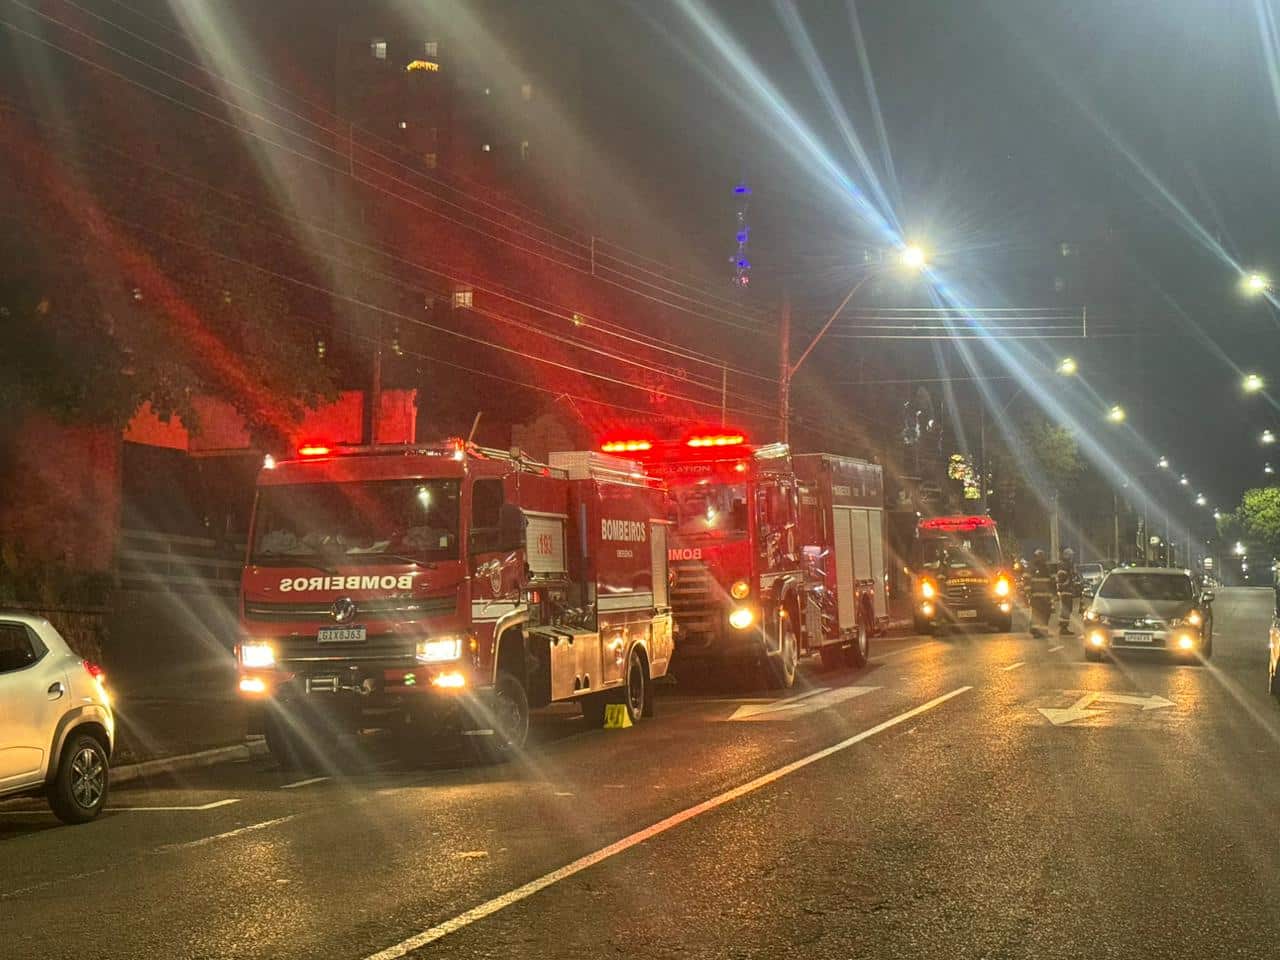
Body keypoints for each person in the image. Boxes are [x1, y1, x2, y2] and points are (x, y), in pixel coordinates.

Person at [1027, 549, 1054, 638]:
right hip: (1040, 597)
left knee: (1042, 614)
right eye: (1040, 556)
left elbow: (1050, 581)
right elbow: (1027, 581)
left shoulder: (1040, 567)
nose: (1041, 558)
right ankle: (1039, 631)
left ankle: (1038, 631)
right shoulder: (1040, 567)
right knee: (1041, 614)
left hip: (1040, 597)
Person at [1056, 547, 1081, 636]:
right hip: (1065, 590)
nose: (1072, 557)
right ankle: (1063, 628)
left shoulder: (1068, 565)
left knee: (1068, 609)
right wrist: (1069, 580)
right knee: (1066, 609)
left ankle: (1064, 627)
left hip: (1068, 590)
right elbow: (1063, 577)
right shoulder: (1064, 565)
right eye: (1071, 555)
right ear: (1067, 555)